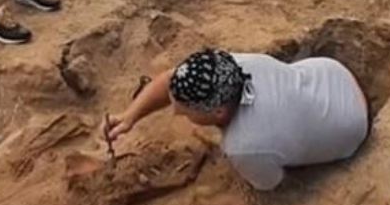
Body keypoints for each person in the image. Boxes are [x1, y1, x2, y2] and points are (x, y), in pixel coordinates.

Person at [107, 49, 370, 191]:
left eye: (186, 111)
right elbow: (170, 78)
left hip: (351, 128)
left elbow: (274, 184)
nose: (176, 113)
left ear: (219, 112)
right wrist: (129, 116)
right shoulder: (235, 65)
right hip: (333, 76)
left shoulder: (245, 146)